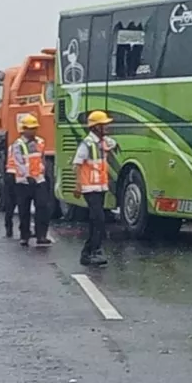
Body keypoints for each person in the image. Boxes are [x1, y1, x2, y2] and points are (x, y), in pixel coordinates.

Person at [72, 110, 117, 266]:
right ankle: (90, 251)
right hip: (89, 188)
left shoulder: (101, 142)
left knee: (97, 220)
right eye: (105, 125)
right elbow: (77, 164)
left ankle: (91, 252)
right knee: (98, 219)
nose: (108, 127)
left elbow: (111, 144)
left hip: (100, 187)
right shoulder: (87, 144)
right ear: (96, 127)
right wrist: (78, 184)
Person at [10, 115, 51, 247]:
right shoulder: (17, 145)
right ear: (23, 130)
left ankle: (41, 235)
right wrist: (27, 175)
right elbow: (18, 162)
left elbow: (41, 158)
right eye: (30, 129)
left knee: (42, 207)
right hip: (23, 182)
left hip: (39, 180)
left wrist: (42, 173)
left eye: (34, 128)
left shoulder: (40, 142)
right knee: (24, 210)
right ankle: (24, 236)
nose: (33, 131)